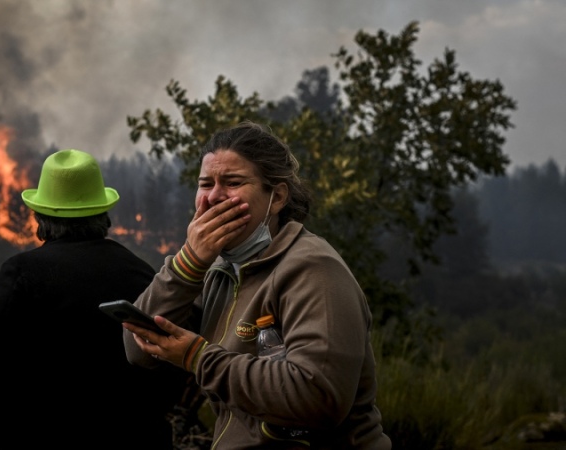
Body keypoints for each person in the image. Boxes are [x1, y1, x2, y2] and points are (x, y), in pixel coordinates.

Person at [122, 121, 392, 449]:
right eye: (205, 184)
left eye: (233, 182)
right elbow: (139, 349)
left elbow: (318, 397)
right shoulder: (219, 271)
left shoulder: (312, 268)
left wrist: (198, 357)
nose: (213, 197)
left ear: (277, 197)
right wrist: (188, 264)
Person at [0, 149, 184, 449]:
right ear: (102, 213)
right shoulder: (141, 272)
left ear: (41, 215)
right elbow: (169, 369)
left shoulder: (21, 273)